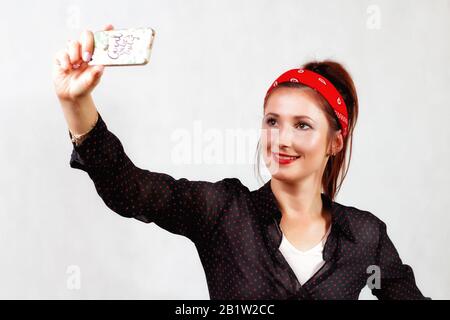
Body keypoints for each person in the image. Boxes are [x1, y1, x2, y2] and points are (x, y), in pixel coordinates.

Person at [52, 25, 430, 300]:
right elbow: (128, 189)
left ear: (334, 142)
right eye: (272, 122)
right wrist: (76, 104)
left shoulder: (365, 238)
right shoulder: (223, 212)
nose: (282, 138)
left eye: (302, 125)